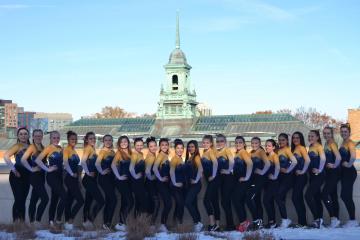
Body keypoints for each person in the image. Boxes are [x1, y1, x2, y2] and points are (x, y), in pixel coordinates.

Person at [35, 131, 65, 226]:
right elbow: (38, 160)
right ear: (50, 139)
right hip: (51, 177)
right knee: (64, 196)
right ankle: (58, 219)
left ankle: (51, 220)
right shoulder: (48, 148)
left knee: (55, 199)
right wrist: (47, 169)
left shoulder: (61, 148)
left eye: (57, 138)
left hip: (60, 176)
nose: (56, 139)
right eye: (54, 138)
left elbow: (63, 162)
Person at [21, 129, 49, 226]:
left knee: (34, 199)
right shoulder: (32, 147)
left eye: (40, 136)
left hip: (41, 176)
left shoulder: (43, 147)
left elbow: (44, 162)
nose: (38, 137)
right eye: (36, 136)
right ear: (33, 137)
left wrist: (47, 166)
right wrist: (31, 169)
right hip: (34, 176)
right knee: (45, 198)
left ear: (42, 136)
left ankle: (32, 223)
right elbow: (23, 160)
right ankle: (37, 221)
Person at [4, 127, 31, 222]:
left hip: (27, 176)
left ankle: (22, 222)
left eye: (25, 134)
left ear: (28, 135)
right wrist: (14, 170)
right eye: (21, 134)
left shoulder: (31, 146)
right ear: (18, 136)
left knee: (22, 200)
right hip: (17, 175)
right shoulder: (17, 146)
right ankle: (16, 222)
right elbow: (6, 157)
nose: (23, 135)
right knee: (18, 199)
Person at [81, 132, 104, 228]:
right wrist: (87, 172)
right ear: (86, 140)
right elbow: (82, 161)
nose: (93, 140)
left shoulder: (93, 149)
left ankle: (86, 221)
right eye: (90, 138)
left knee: (88, 200)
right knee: (101, 201)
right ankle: (90, 219)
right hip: (88, 179)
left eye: (94, 138)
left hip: (92, 180)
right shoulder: (88, 148)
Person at [246, 137, 270, 230]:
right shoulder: (251, 152)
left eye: (256, 143)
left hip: (260, 180)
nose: (254, 145)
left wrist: (262, 172)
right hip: (253, 180)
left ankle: (257, 220)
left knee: (249, 198)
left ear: (260, 144)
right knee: (257, 201)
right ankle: (259, 223)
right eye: (252, 143)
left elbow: (267, 163)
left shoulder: (261, 151)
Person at [112, 136, 134, 231]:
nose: (124, 143)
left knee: (125, 201)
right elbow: (113, 165)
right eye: (122, 142)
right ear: (119, 144)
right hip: (121, 181)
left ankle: (121, 223)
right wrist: (119, 176)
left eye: (125, 141)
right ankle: (122, 222)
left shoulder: (130, 153)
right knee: (130, 201)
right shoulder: (119, 153)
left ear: (128, 143)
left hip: (128, 181)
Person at [63, 131, 84, 230]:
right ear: (68, 140)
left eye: (75, 139)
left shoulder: (74, 150)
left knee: (69, 200)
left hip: (75, 178)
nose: (74, 141)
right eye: (72, 139)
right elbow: (65, 163)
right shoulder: (66, 149)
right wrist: (71, 173)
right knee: (80, 200)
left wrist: (78, 179)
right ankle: (70, 219)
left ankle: (67, 222)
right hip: (70, 178)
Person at [305, 130, 326, 228]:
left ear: (317, 137)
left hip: (319, 175)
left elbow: (323, 159)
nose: (310, 138)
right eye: (309, 136)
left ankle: (317, 218)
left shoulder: (318, 146)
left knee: (308, 195)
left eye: (312, 136)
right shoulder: (311, 147)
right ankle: (319, 219)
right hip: (312, 176)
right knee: (316, 197)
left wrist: (319, 170)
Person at [276, 133, 297, 228]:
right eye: (279, 140)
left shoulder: (287, 150)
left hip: (288, 178)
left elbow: (294, 161)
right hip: (280, 177)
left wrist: (287, 170)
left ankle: (285, 220)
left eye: (283, 140)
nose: (281, 142)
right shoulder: (278, 150)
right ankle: (284, 220)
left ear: (287, 141)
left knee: (279, 196)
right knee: (281, 198)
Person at [339, 123, 358, 227]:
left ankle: (353, 220)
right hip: (344, 172)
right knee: (346, 196)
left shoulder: (350, 143)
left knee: (346, 196)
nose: (343, 133)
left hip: (349, 172)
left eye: (345, 131)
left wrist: (349, 164)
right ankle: (352, 220)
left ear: (349, 133)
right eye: (342, 131)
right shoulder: (343, 142)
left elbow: (353, 156)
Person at [232, 136, 253, 232]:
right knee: (238, 201)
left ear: (244, 144)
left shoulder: (243, 152)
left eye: (240, 142)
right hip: (238, 181)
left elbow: (250, 164)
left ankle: (244, 223)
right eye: (236, 142)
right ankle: (243, 223)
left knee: (236, 200)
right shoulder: (238, 153)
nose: (238, 144)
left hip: (243, 181)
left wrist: (246, 177)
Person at [322, 126, 341, 228]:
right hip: (329, 173)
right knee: (333, 196)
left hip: (334, 173)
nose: (326, 135)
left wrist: (334, 165)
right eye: (324, 133)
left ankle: (333, 217)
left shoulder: (332, 143)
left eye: (328, 133)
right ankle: (336, 220)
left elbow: (338, 157)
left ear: (332, 134)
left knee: (324, 195)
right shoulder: (326, 143)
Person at [95, 134, 116, 230]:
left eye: (110, 140)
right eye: (106, 140)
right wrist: (102, 172)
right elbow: (97, 163)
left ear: (112, 141)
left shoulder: (112, 151)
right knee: (113, 199)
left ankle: (106, 223)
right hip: (104, 179)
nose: (108, 142)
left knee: (109, 200)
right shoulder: (103, 151)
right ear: (103, 142)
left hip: (111, 178)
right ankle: (107, 223)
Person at [291, 131, 310, 228]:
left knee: (295, 198)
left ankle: (302, 222)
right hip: (296, 178)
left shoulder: (301, 148)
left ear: (301, 139)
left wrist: (302, 171)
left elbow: (308, 160)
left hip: (301, 177)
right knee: (298, 199)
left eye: (297, 138)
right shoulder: (294, 148)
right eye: (294, 138)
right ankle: (302, 222)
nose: (295, 139)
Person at [216, 134, 235, 231]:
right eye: (218, 141)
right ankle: (230, 224)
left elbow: (232, 161)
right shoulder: (217, 152)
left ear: (225, 142)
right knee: (224, 202)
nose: (219, 143)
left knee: (225, 202)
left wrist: (228, 170)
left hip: (228, 179)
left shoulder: (226, 150)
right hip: (221, 180)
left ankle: (231, 225)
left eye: (221, 141)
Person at [201, 135, 220, 232]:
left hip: (214, 180)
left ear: (211, 143)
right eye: (204, 142)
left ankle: (212, 224)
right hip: (210, 181)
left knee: (206, 200)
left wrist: (213, 175)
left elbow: (215, 163)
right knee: (214, 202)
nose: (205, 144)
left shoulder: (210, 152)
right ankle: (217, 225)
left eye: (207, 142)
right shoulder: (205, 152)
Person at [153, 138, 171, 232]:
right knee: (168, 203)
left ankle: (163, 224)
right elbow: (155, 168)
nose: (164, 146)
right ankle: (162, 224)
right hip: (161, 184)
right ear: (160, 146)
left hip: (165, 184)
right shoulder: (161, 155)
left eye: (166, 145)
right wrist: (161, 178)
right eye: (162, 145)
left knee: (168, 203)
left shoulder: (165, 155)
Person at [184, 140, 203, 232]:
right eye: (189, 147)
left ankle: (197, 222)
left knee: (187, 202)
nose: (190, 148)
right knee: (194, 204)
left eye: (192, 146)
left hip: (196, 185)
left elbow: (200, 169)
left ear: (196, 148)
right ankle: (199, 223)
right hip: (190, 185)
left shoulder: (196, 157)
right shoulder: (190, 158)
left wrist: (196, 180)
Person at [263, 139, 280, 229]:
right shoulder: (267, 155)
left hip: (273, 182)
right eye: (266, 145)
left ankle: (272, 221)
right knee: (269, 201)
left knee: (266, 201)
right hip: (267, 182)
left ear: (273, 147)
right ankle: (272, 221)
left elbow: (277, 167)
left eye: (269, 146)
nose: (267, 147)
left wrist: (274, 177)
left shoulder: (274, 156)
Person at [170, 139, 187, 226]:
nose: (180, 150)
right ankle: (177, 224)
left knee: (179, 205)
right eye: (178, 148)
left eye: (181, 148)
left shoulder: (180, 159)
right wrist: (175, 183)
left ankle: (177, 224)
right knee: (180, 204)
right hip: (175, 187)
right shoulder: (174, 159)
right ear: (175, 149)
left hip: (181, 187)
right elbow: (171, 172)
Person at [129, 138, 148, 215]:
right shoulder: (134, 154)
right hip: (136, 182)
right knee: (142, 201)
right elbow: (131, 168)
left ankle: (136, 222)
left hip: (140, 182)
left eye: (141, 145)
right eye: (137, 145)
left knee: (138, 202)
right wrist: (136, 176)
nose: (139, 147)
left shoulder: (141, 154)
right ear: (134, 145)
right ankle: (139, 221)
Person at [144, 137, 160, 224]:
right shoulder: (151, 157)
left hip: (149, 184)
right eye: (151, 146)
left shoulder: (152, 155)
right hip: (150, 184)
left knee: (151, 204)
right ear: (148, 147)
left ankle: (149, 223)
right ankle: (151, 224)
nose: (153, 148)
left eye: (154, 146)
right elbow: (147, 171)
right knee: (156, 203)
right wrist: (151, 178)